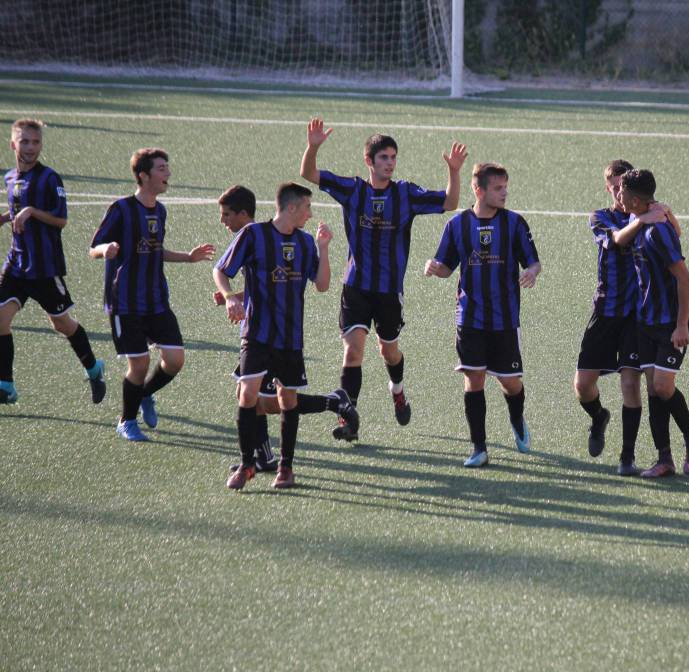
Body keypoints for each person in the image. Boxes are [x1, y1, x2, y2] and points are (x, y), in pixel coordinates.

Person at [300, 117, 467, 441]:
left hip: (389, 291)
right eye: (384, 158)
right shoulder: (353, 190)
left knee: (389, 351)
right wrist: (313, 146)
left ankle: (398, 390)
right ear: (369, 161)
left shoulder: (405, 193)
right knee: (353, 352)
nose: (390, 163)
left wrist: (454, 171)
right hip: (356, 286)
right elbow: (308, 173)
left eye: (393, 158)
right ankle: (349, 418)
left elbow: (450, 203)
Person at [216, 183, 357, 490]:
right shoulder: (253, 235)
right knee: (247, 394)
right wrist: (229, 297)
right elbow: (222, 270)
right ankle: (247, 464)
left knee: (287, 399)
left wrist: (323, 247)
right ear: (291, 208)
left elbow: (321, 284)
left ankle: (286, 468)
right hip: (256, 333)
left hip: (290, 337)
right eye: (307, 207)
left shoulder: (306, 243)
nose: (310, 213)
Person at [89, 148, 215, 441]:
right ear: (143, 176)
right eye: (161, 169)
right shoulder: (121, 209)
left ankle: (144, 394)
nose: (167, 173)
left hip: (156, 300)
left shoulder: (160, 210)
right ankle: (126, 420)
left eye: (166, 168)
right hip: (125, 302)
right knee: (140, 363)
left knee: (175, 360)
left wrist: (188, 257)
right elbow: (93, 247)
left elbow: (155, 251)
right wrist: (104, 250)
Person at [424, 162, 541, 467]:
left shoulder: (515, 223)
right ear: (479, 190)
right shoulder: (457, 225)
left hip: (504, 318)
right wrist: (435, 269)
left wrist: (531, 271)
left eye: (505, 187)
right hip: (469, 316)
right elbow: (447, 267)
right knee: (474, 379)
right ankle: (479, 448)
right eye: (498, 188)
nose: (504, 193)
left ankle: (516, 416)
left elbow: (533, 262)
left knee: (510, 383)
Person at [575, 160, 685, 475]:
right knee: (583, 386)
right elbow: (615, 241)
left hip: (636, 316)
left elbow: (675, 236)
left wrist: (663, 213)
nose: (617, 192)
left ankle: (627, 459)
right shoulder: (601, 217)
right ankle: (598, 416)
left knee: (631, 385)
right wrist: (643, 218)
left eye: (621, 186)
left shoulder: (646, 214)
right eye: (612, 186)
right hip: (605, 310)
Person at [0, 119, 105, 405]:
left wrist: (31, 211)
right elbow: (18, 208)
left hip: (45, 268)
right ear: (13, 144)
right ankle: (6, 385)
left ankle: (94, 369)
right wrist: (7, 217)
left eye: (35, 142)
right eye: (24, 142)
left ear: (41, 145)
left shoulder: (49, 179)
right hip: (16, 265)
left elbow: (61, 220)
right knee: (1, 318)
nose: (30, 147)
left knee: (62, 324)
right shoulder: (10, 178)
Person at [614, 169, 689, 477]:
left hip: (670, 322)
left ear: (636, 200)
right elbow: (617, 239)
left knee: (663, 386)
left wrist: (681, 325)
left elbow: (685, 279)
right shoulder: (638, 221)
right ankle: (665, 459)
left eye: (621, 193)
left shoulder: (657, 231)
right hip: (646, 320)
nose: (617, 197)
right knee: (653, 389)